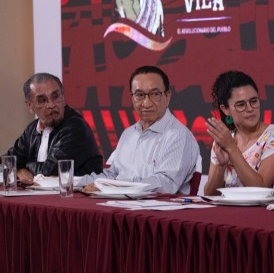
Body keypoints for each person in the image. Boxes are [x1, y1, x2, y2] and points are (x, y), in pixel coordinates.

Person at [84, 65, 199, 194]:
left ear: (167, 96)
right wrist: (74, 182)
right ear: (132, 98)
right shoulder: (128, 134)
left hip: (159, 206)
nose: (146, 103)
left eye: (155, 94)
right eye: (139, 95)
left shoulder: (179, 136)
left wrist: (116, 187)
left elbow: (167, 183)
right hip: (120, 202)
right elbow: (112, 175)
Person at [204, 70, 274, 201]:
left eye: (254, 101)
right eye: (241, 105)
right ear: (226, 110)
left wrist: (232, 148)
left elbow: (259, 189)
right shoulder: (224, 139)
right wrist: (220, 166)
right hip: (229, 211)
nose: (249, 109)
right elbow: (210, 195)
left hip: (266, 212)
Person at [6, 72, 103, 182]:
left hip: (78, 192)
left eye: (55, 96)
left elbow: (50, 172)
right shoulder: (32, 130)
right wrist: (19, 170)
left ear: (63, 98)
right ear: (30, 106)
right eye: (42, 100)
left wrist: (22, 167)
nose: (51, 105)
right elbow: (7, 161)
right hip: (43, 192)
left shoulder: (75, 127)